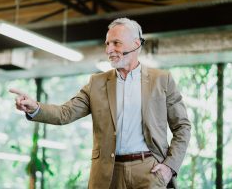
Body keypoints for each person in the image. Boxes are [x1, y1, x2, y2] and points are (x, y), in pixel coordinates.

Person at [10, 18, 191, 189]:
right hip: (108, 172)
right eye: (107, 44)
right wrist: (36, 108)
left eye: (116, 43)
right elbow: (65, 113)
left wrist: (169, 166)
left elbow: (182, 126)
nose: (109, 50)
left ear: (136, 44)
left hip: (149, 170)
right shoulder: (97, 83)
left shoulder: (162, 80)